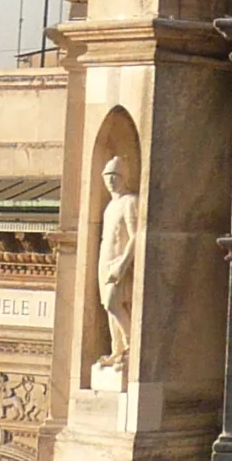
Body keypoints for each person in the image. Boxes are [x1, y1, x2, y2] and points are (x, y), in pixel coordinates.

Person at [95, 158, 138, 371]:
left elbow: (135, 236)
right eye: (108, 177)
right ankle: (117, 349)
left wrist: (123, 264)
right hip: (105, 261)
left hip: (119, 262)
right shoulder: (110, 206)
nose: (111, 181)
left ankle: (131, 347)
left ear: (124, 177)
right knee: (108, 306)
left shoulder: (130, 201)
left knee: (114, 303)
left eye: (115, 176)